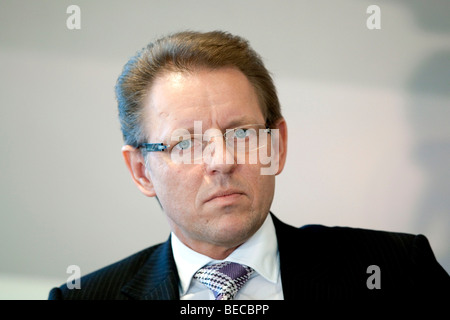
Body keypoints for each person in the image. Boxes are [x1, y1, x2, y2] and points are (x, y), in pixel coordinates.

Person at [48, 30, 449, 302]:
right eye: (187, 143)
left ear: (277, 145)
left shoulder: (395, 270)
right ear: (140, 171)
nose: (222, 161)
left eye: (241, 135)